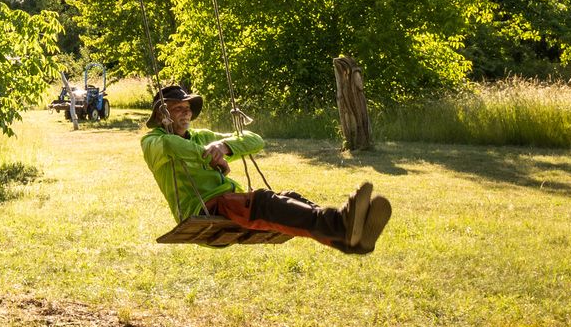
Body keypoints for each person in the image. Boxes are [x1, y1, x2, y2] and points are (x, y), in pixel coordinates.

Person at [141, 84, 391, 254]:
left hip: (227, 203)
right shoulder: (152, 141)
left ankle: (349, 239)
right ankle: (340, 223)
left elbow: (254, 140)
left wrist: (224, 147)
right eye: (178, 108)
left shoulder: (202, 136)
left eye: (187, 108)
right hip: (204, 208)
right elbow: (172, 146)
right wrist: (209, 156)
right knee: (263, 202)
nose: (186, 113)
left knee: (289, 197)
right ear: (162, 115)